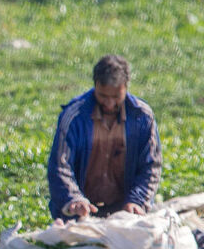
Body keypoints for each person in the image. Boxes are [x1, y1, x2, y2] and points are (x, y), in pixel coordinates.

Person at [47, 54, 161, 220]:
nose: (109, 103)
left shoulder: (142, 117)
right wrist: (74, 199)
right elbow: (60, 165)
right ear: (95, 86)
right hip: (82, 213)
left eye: (115, 97)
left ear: (126, 87)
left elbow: (151, 166)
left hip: (124, 211)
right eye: (103, 96)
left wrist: (137, 200)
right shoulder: (74, 117)